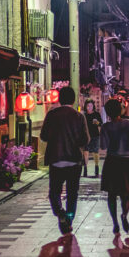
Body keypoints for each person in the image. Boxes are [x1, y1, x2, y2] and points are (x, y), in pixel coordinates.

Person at [40, 85, 88, 234]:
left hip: (56, 159)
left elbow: (43, 136)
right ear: (73, 100)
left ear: (59, 100)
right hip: (74, 160)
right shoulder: (79, 116)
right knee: (72, 193)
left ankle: (60, 213)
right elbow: (85, 140)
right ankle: (68, 219)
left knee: (54, 191)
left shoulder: (51, 114)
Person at [99, 97, 129, 235]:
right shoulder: (128, 124)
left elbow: (103, 146)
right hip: (126, 161)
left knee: (111, 195)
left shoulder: (106, 127)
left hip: (111, 161)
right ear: (120, 109)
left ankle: (115, 222)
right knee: (126, 194)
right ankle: (124, 215)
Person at [82, 99, 102, 177]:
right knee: (85, 152)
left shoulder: (96, 114)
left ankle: (96, 168)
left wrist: (96, 122)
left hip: (95, 135)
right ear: (85, 106)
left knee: (95, 152)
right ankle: (85, 169)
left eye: (91, 105)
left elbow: (101, 124)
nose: (89, 107)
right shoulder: (84, 115)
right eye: (88, 106)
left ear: (93, 106)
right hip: (86, 136)